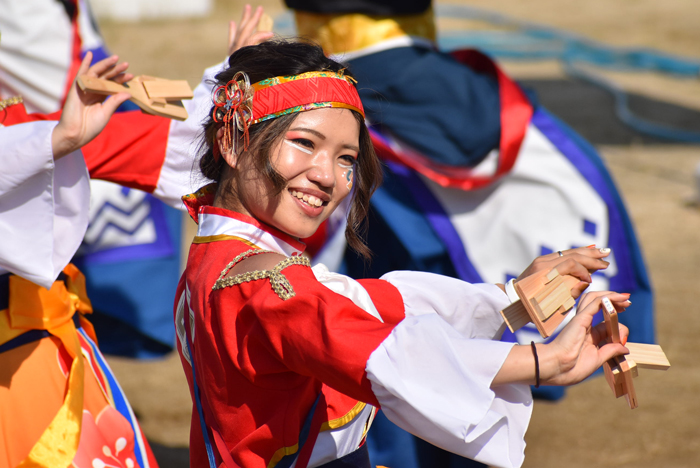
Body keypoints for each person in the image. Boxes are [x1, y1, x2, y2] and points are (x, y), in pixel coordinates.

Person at [175, 39, 631, 468]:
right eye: (305, 143)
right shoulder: (264, 280)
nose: (327, 177)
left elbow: (368, 304)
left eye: (346, 158)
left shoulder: (222, 257)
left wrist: (511, 300)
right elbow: (381, 350)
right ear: (233, 143)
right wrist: (543, 362)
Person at [0, 53, 160, 468]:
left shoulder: (22, 128)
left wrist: (231, 95)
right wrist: (54, 139)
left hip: (49, 351)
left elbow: (114, 139)